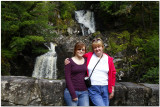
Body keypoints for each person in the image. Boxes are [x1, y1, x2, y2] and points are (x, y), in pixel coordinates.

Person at [65, 38, 116, 106]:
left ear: (102, 47)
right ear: (93, 49)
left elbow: (113, 74)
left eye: (99, 47)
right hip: (93, 88)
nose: (97, 49)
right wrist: (67, 59)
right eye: (95, 47)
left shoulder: (109, 59)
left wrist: (112, 89)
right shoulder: (89, 56)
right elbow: (78, 55)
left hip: (105, 88)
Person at [64, 42, 89, 106]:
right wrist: (73, 94)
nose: (81, 51)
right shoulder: (69, 61)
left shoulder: (87, 60)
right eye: (79, 49)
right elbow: (67, 78)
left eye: (83, 49)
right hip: (71, 92)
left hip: (84, 92)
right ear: (75, 50)